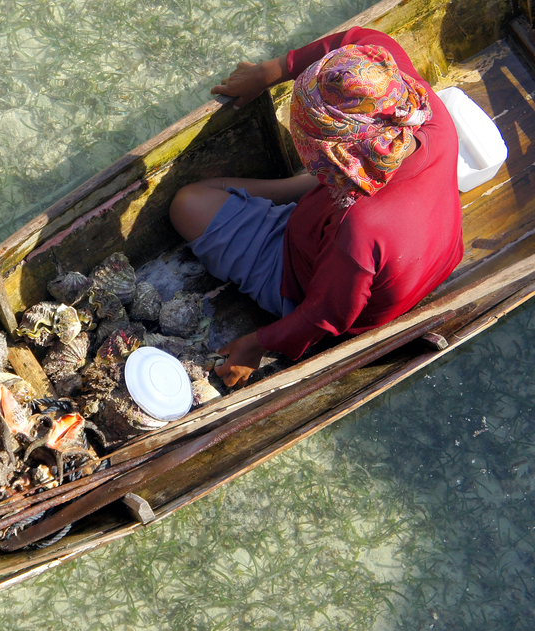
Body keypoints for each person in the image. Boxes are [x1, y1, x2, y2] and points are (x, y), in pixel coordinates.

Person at [169, 28, 463, 387]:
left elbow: (327, 316)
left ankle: (294, 194)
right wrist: (272, 70)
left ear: (340, 153)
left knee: (188, 204)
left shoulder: (358, 229)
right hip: (428, 253)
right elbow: (362, 37)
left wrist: (255, 345)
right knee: (218, 196)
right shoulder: (424, 113)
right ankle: (302, 191)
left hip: (307, 274)